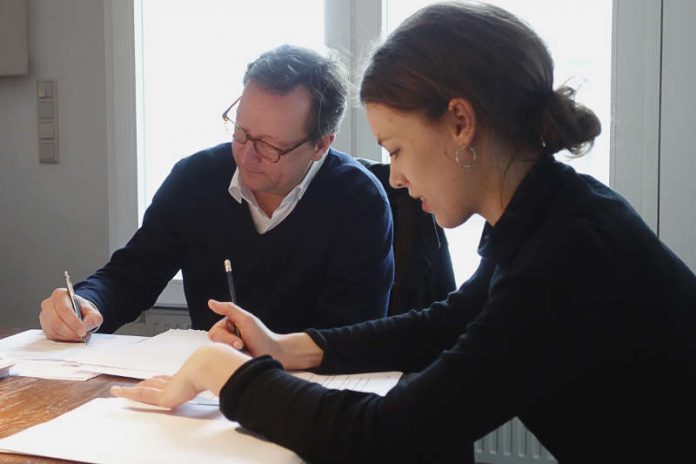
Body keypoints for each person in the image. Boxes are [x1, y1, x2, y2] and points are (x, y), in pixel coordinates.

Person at [112, 3, 696, 463]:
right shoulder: (550, 213)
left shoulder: (567, 254)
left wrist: (228, 373)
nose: (393, 174)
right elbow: (452, 320)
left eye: (396, 147)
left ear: (461, 124)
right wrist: (292, 346)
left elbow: (384, 435)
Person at [39, 44, 394, 340]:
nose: (246, 155)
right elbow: (132, 275)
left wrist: (270, 351)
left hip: (311, 398)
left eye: (270, 146)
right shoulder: (196, 178)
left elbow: (349, 337)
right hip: (209, 390)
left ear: (321, 145)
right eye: (241, 131)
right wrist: (86, 304)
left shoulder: (358, 201)